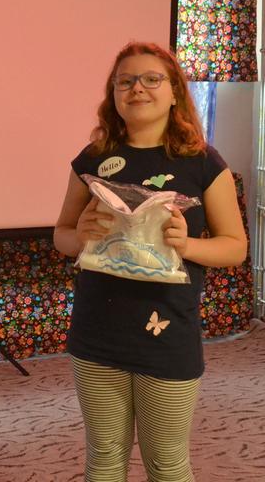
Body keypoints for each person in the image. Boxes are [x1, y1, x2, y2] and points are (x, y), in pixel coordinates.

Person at [53, 41, 247, 482]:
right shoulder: (93, 159)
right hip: (96, 333)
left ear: (175, 91)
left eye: (151, 79)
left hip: (167, 334)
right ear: (114, 93)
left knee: (166, 464)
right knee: (103, 458)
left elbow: (235, 247)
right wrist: (80, 235)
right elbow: (61, 236)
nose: (137, 88)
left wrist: (187, 245)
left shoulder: (203, 162)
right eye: (125, 81)